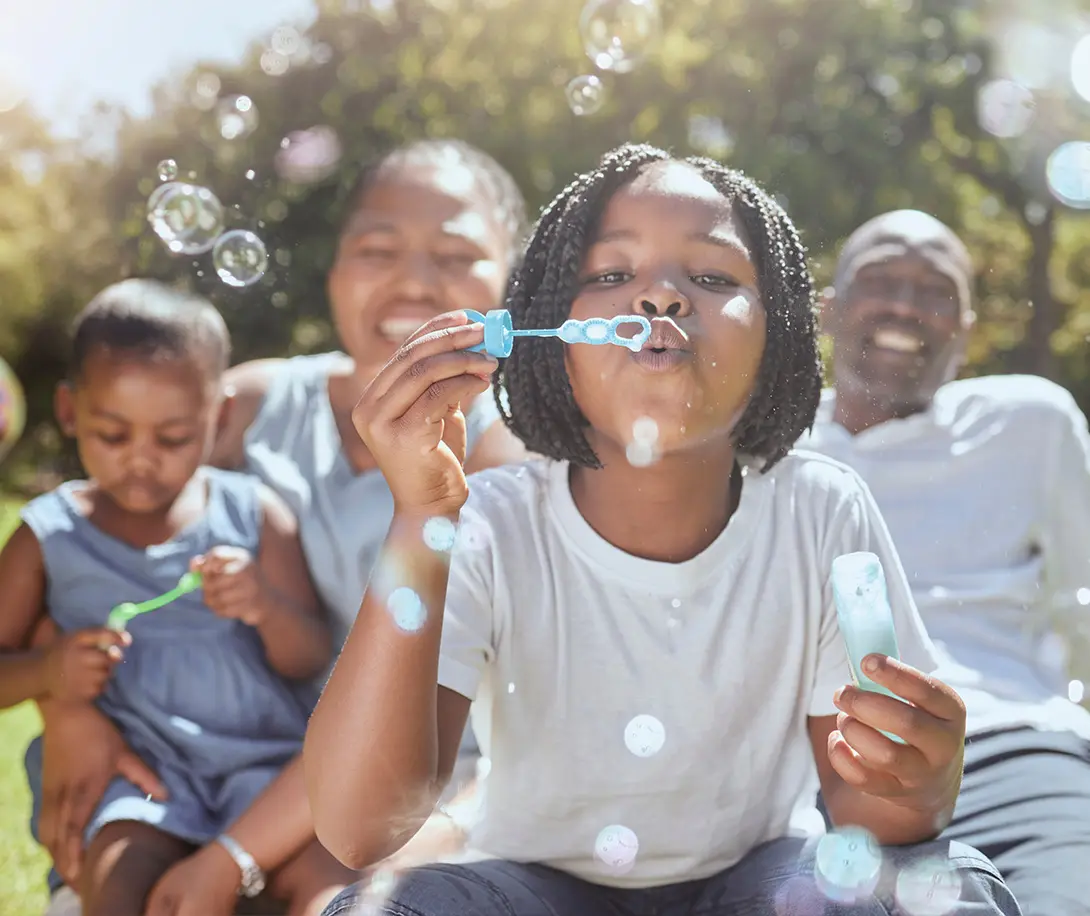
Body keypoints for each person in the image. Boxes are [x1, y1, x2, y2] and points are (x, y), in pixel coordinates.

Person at [307, 144, 1020, 916]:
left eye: (712, 278)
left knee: (932, 889)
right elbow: (359, 829)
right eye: (612, 275)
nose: (661, 299)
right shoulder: (486, 522)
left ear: (778, 333)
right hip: (536, 888)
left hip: (763, 883)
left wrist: (920, 783)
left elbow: (870, 816)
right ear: (549, 330)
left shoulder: (822, 511)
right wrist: (420, 515)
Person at [30, 139, 529, 916]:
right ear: (333, 270)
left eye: (457, 254)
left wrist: (232, 859)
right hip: (233, 773)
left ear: (509, 289)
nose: (414, 279)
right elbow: (84, 547)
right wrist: (70, 713)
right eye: (378, 247)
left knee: (347, 901)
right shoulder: (253, 407)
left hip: (413, 799)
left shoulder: (510, 468)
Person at [1, 279, 352, 916]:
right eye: (113, 434)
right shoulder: (48, 536)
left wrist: (262, 606)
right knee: (117, 878)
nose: (141, 461)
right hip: (139, 783)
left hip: (263, 773)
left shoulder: (253, 515)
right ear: (71, 409)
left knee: (328, 886)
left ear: (217, 418)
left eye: (172, 439)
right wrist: (49, 673)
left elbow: (308, 657)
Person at [805, 208, 1090, 916]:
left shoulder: (1032, 423)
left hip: (1010, 753)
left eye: (936, 290)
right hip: (816, 766)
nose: (905, 305)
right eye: (880, 280)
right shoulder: (766, 444)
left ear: (964, 328)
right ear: (830, 310)